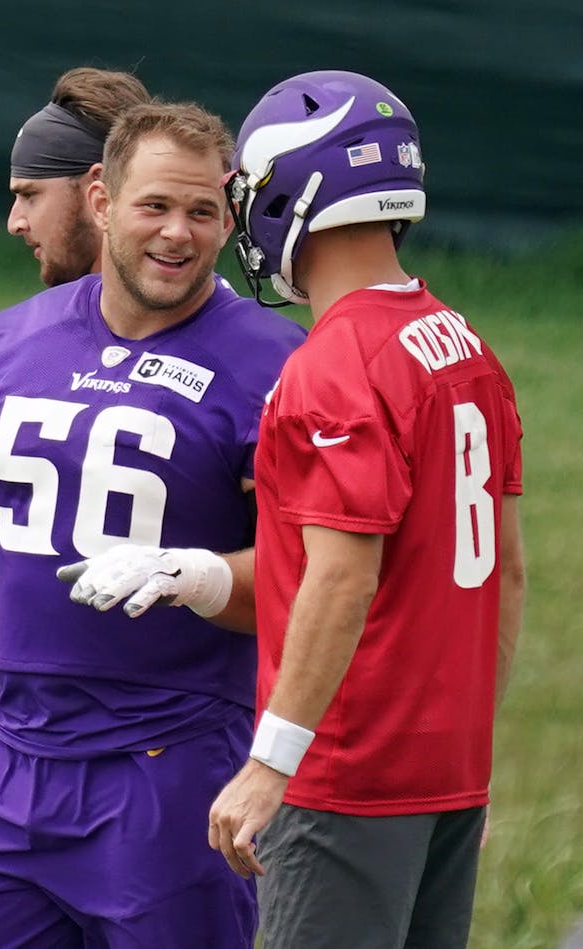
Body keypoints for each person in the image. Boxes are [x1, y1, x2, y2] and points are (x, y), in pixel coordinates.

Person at [0, 101, 305, 947]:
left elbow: (311, 581)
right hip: (10, 761)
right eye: (155, 206)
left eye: (202, 212)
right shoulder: (9, 342)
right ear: (102, 200)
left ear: (229, 219)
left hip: (170, 765)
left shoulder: (275, 363)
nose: (178, 234)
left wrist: (197, 576)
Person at [202, 70, 526, 949]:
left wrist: (271, 762)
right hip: (444, 769)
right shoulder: (465, 345)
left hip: (349, 771)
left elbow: (342, 576)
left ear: (291, 193)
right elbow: (507, 571)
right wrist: (467, 761)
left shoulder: (333, 362)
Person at [6, 67, 150, 286]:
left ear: (103, 188)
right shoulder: (35, 320)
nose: (14, 223)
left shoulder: (214, 318)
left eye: (30, 195)